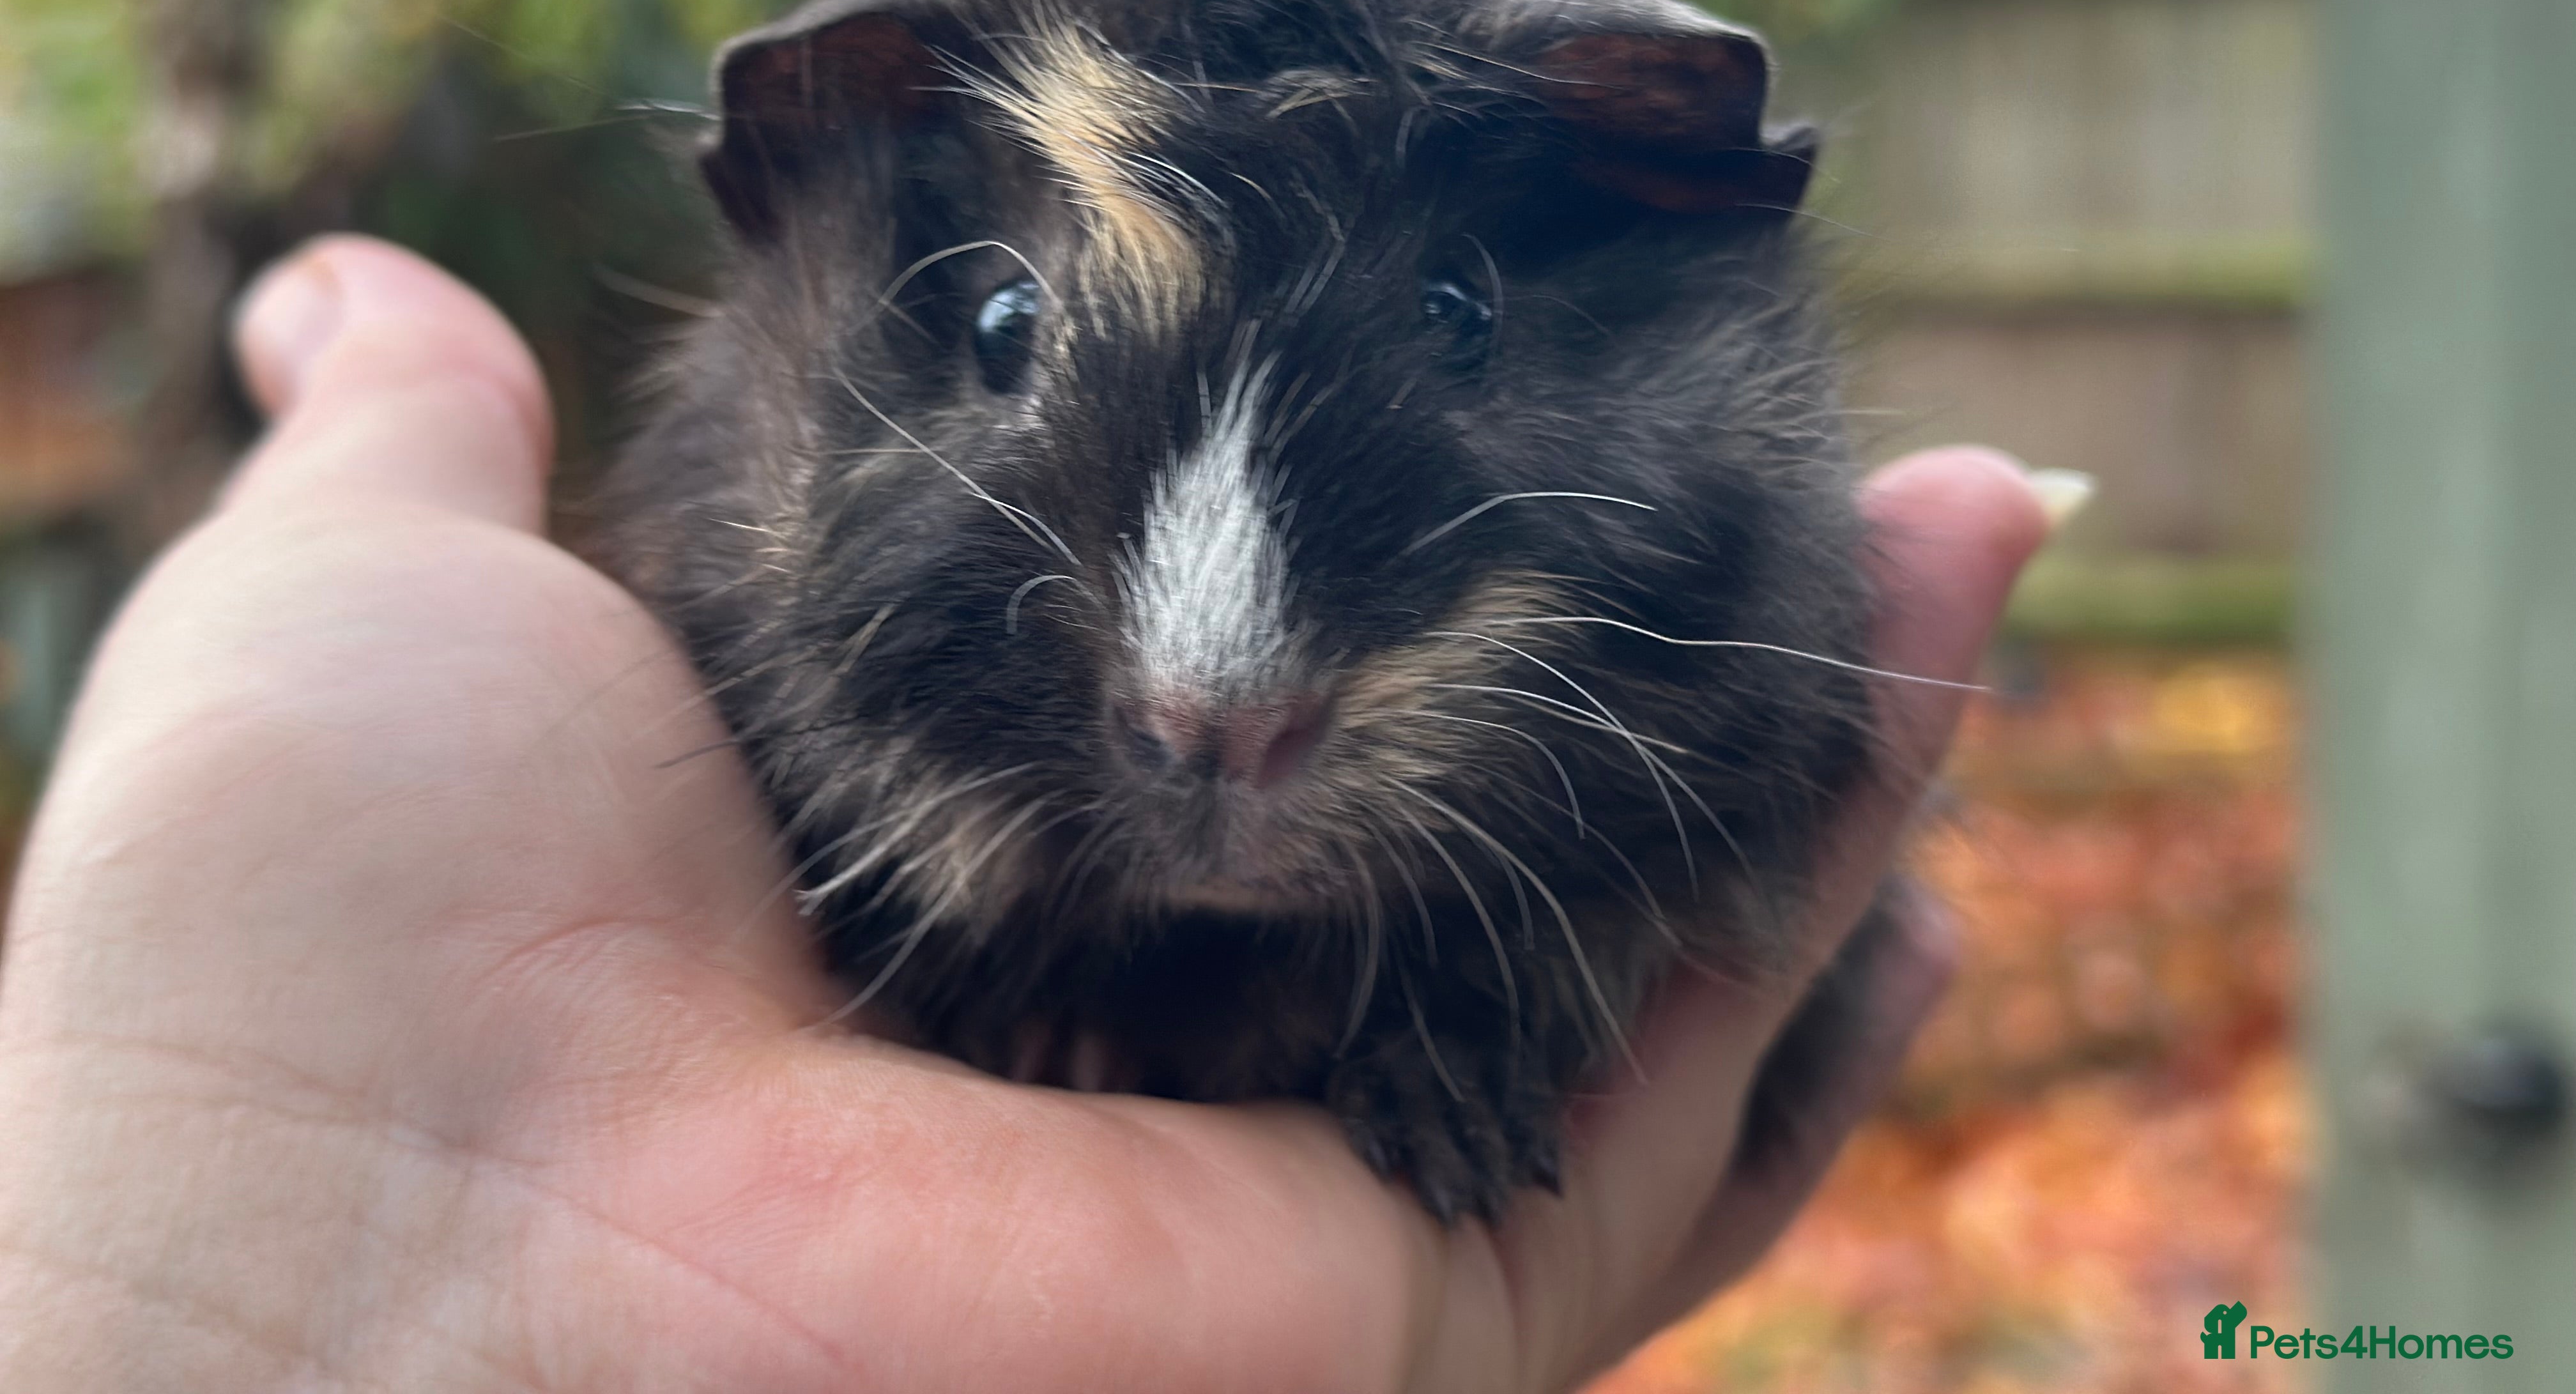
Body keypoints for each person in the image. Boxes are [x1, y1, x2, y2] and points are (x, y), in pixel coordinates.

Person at [0, 236, 2048, 1391]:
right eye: (1010, 333)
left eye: (1447, 321)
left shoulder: (1711, 574)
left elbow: (1743, 850)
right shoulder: (756, 567)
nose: (1216, 695)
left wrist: (1515, 1004)